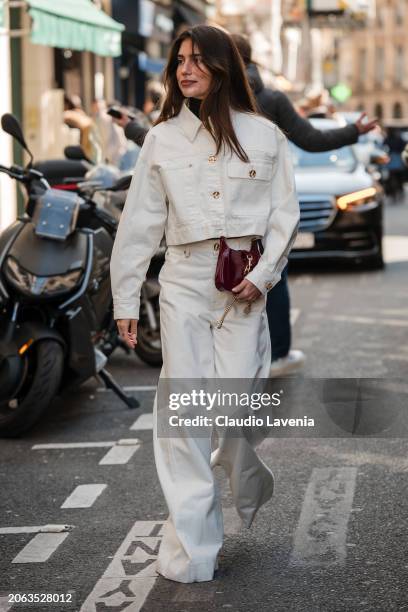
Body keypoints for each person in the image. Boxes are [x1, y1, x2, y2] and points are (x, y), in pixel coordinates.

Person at [110, 25, 299, 583]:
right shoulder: (162, 139)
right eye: (179, 61)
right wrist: (125, 297)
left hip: (243, 286)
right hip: (184, 283)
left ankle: (244, 472)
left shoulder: (265, 136)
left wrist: (263, 277)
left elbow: (283, 219)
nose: (185, 69)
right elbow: (139, 224)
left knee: (235, 408)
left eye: (197, 60)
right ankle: (194, 547)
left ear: (223, 67)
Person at [231, 34, 378, 376]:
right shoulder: (270, 99)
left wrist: (135, 130)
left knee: (225, 276)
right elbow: (312, 140)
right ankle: (277, 354)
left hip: (221, 205)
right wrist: (353, 132)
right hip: (265, 204)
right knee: (273, 275)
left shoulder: (210, 100)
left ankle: (232, 357)